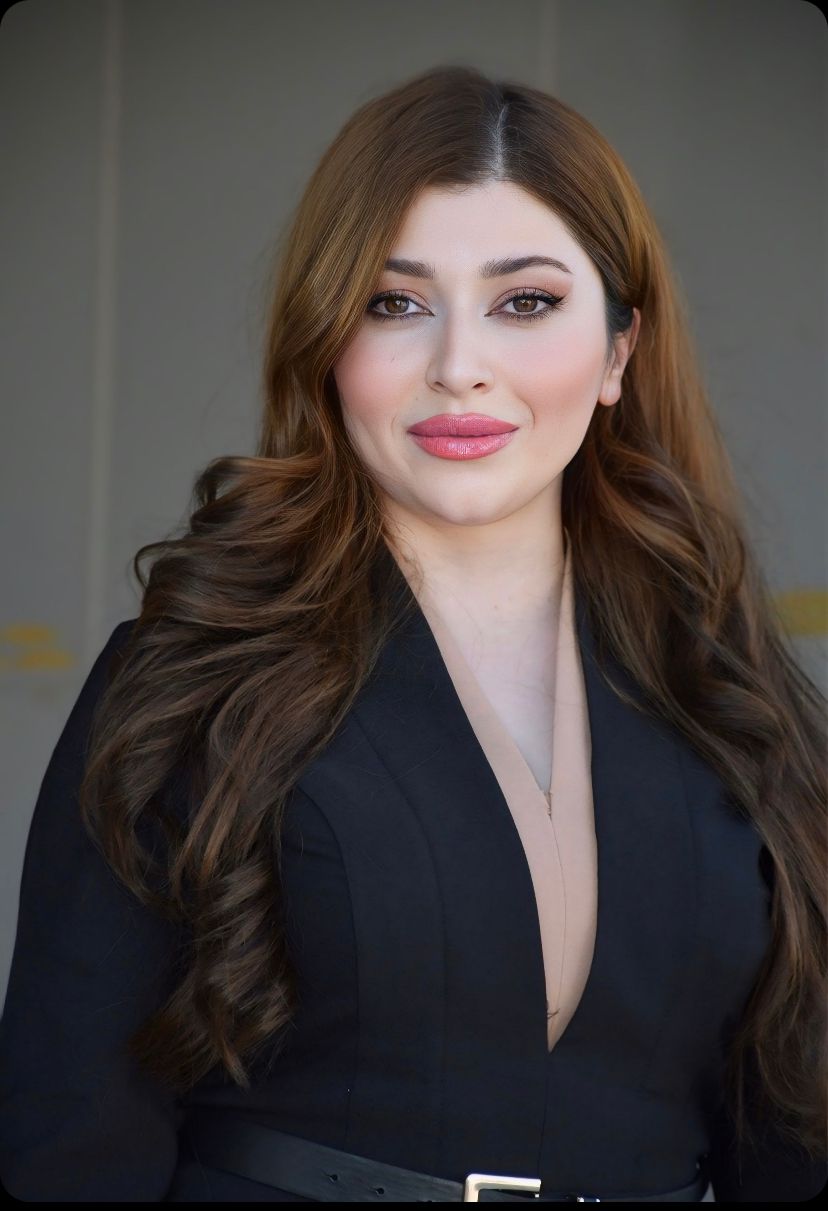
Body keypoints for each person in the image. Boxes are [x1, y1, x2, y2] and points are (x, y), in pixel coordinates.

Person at [0, 64, 825, 1204]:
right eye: (395, 304)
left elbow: (793, 1124)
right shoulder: (191, 673)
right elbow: (68, 1132)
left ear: (618, 353)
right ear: (327, 343)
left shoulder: (727, 690)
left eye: (524, 302)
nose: (457, 366)